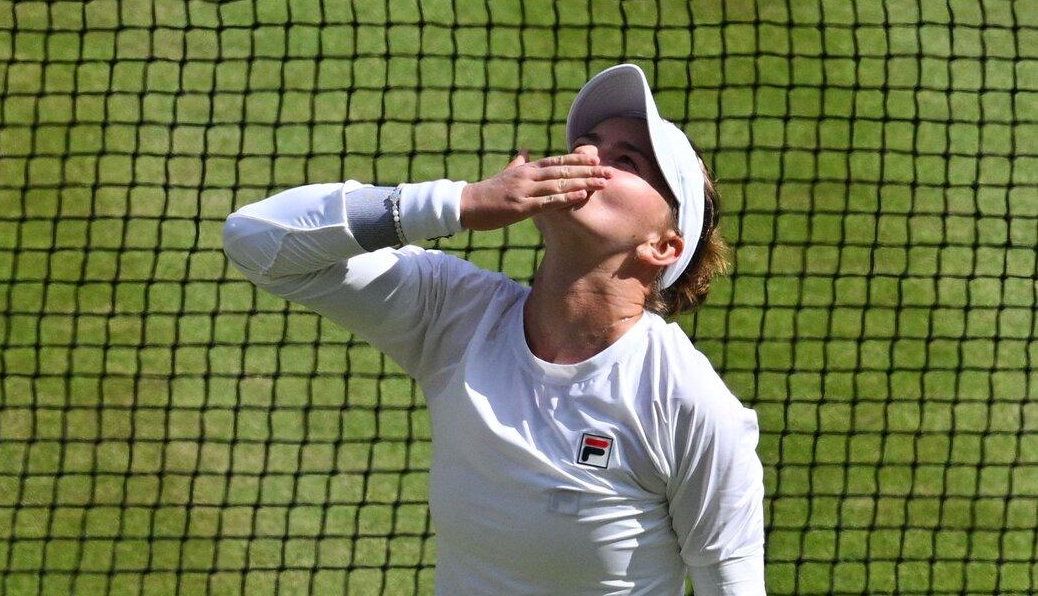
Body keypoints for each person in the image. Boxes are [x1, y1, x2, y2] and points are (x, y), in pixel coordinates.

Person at [220, 63, 766, 595]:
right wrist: (459, 203)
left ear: (661, 246)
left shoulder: (689, 405)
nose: (585, 157)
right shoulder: (455, 314)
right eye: (588, 143)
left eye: (627, 160)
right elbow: (255, 240)